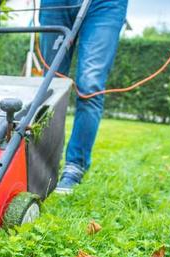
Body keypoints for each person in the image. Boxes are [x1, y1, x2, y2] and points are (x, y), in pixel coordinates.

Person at [39, 0, 128, 193]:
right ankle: (42, 164)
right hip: (56, 4)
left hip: (104, 4)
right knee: (51, 85)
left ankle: (75, 166)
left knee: (90, 86)